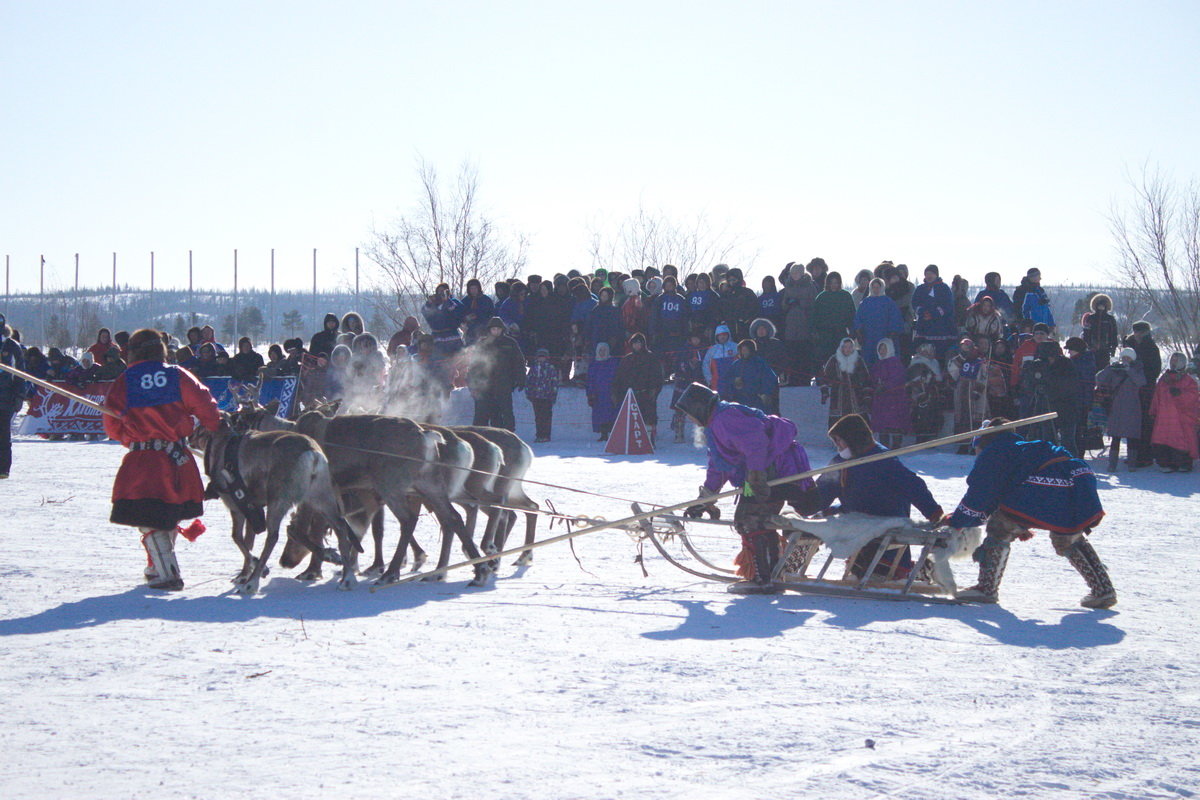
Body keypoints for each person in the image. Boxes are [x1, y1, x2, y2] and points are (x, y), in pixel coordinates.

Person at [943, 418, 1115, 609]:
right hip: (1079, 480)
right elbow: (999, 495)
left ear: (981, 443)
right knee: (1068, 537)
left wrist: (957, 521)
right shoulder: (1020, 448)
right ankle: (1103, 590)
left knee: (1001, 525)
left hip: (1051, 483)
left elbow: (980, 495)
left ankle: (986, 588)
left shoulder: (994, 452)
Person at [673, 382, 821, 594]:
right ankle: (770, 571)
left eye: (689, 413)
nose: (689, 418)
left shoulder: (725, 418)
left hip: (777, 473)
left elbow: (756, 443)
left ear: (699, 407)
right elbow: (719, 466)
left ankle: (763, 578)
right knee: (756, 519)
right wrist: (705, 499)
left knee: (748, 519)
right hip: (762, 475)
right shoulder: (715, 424)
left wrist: (755, 475)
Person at [103, 329, 222, 590]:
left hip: (144, 461)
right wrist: (204, 427)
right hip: (178, 458)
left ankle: (168, 573)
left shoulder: (125, 380)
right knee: (166, 514)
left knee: (149, 516)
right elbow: (207, 408)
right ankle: (156, 567)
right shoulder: (177, 375)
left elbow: (111, 423)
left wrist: (133, 438)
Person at [816, 413, 944, 579]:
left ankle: (919, 571)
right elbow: (823, 492)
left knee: (876, 572)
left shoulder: (883, 460)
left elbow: (914, 486)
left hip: (886, 519)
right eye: (835, 442)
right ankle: (788, 568)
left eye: (840, 441)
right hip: (855, 518)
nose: (838, 447)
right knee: (804, 525)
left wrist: (934, 513)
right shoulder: (840, 463)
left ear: (853, 439)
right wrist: (807, 504)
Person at [467, 317, 526, 431]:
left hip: (504, 383)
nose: (496, 331)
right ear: (489, 330)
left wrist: (521, 379)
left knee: (506, 412)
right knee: (482, 413)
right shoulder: (482, 343)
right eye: (493, 329)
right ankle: (478, 437)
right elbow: (474, 366)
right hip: (484, 385)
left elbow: (519, 362)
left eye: (498, 329)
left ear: (502, 329)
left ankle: (508, 436)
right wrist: (472, 384)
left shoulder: (510, 343)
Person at [1093, 347, 1146, 472]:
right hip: (1116, 407)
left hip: (1132, 407)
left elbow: (1141, 382)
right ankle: (1112, 464)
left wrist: (1130, 371)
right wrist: (1109, 368)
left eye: (1128, 358)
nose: (1125, 360)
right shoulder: (1115, 370)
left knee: (1132, 437)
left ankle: (1132, 463)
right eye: (1124, 357)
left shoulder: (1137, 369)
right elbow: (1099, 379)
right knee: (1115, 437)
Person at [1149, 352, 1199, 472]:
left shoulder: (1188, 380)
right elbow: (1157, 396)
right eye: (1172, 360)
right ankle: (1165, 463)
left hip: (1181, 417)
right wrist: (1153, 411)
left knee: (1182, 440)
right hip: (1164, 417)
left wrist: (1180, 394)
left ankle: (1184, 463)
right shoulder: (1164, 378)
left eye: (1176, 360)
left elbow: (1194, 398)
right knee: (1163, 439)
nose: (1173, 363)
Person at [612, 332, 664, 444]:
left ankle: (649, 441)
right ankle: (632, 442)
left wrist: (654, 391)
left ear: (643, 344)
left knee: (649, 419)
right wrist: (617, 393)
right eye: (634, 343)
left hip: (647, 395)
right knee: (632, 420)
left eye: (639, 343)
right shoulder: (627, 359)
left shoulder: (651, 358)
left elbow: (658, 377)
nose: (637, 345)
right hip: (631, 396)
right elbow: (619, 378)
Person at [1123, 321, 1162, 468]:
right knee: (1133, 422)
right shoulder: (1131, 345)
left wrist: (1141, 377)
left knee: (1145, 422)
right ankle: (1134, 454)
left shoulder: (1151, 347)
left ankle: (1145, 455)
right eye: (1136, 332)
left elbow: (1154, 371)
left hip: (1146, 388)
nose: (1138, 335)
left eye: (1141, 332)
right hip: (1132, 387)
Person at [820, 337, 872, 429]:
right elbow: (825, 378)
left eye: (850, 347)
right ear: (841, 348)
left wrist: (867, 397)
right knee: (839, 425)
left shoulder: (858, 360)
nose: (848, 349)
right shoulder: (834, 360)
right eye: (845, 347)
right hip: (839, 397)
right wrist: (825, 393)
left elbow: (866, 379)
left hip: (856, 396)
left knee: (858, 424)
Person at [0, 313, 29, 479]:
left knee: (3, 434)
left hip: (6, 398)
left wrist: (19, 394)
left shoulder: (11, 346)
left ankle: (3, 468)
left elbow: (20, 373)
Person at [869, 338, 911, 450]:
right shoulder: (877, 364)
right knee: (883, 423)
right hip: (881, 398)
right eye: (880, 348)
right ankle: (884, 445)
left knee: (895, 422)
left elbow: (898, 378)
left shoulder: (895, 362)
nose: (882, 351)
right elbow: (872, 378)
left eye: (884, 348)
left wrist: (885, 386)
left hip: (895, 398)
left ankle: (896, 445)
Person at [811, 271, 856, 369]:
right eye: (831, 282)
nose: (834, 285)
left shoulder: (846, 296)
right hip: (825, 335)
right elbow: (814, 317)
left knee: (842, 359)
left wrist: (853, 332)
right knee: (826, 360)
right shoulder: (821, 297)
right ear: (827, 283)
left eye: (836, 282)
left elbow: (852, 315)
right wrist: (814, 332)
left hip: (841, 333)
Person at [854, 277, 904, 365]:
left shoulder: (889, 302)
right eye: (874, 287)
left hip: (884, 337)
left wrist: (891, 336)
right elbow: (858, 320)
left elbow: (895, 320)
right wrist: (859, 334)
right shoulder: (865, 303)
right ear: (870, 288)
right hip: (868, 338)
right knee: (869, 361)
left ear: (882, 288)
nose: (876, 289)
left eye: (878, 287)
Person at [910, 265, 957, 358]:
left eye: (931, 274)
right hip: (924, 326)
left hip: (942, 327)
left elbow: (948, 305)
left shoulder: (944, 288)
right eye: (927, 274)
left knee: (941, 353)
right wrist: (922, 312)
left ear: (936, 275)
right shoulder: (920, 289)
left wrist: (935, 313)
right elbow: (914, 303)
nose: (929, 276)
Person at [723, 339, 778, 414]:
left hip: (757, 400)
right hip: (741, 400)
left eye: (745, 350)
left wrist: (765, 393)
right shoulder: (736, 364)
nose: (743, 352)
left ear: (751, 350)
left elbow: (770, 378)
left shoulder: (759, 363)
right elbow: (726, 378)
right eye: (742, 350)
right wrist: (734, 381)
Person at [525, 348, 561, 443]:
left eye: (543, 357)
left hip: (547, 396)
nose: (541, 359)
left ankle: (546, 435)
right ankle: (539, 434)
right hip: (536, 396)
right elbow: (529, 381)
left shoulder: (550, 368)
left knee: (546, 416)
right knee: (538, 417)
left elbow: (554, 382)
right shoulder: (534, 368)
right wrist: (529, 393)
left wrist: (553, 395)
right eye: (540, 357)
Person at [587, 342, 619, 441]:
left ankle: (614, 434)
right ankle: (603, 434)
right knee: (600, 415)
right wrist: (590, 394)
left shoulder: (613, 363)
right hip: (598, 395)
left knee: (612, 414)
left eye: (604, 350)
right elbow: (590, 380)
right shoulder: (593, 364)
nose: (602, 352)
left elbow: (617, 377)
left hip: (611, 393)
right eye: (600, 350)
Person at [1080, 293, 1119, 369]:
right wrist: (1086, 346)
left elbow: (1114, 334)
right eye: (1099, 305)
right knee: (1092, 368)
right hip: (1092, 349)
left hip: (1105, 349)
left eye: (1103, 305)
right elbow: (1086, 333)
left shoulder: (1110, 319)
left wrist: (1113, 347)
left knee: (1104, 369)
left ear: (1106, 306)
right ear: (1095, 306)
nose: (1101, 307)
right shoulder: (1091, 318)